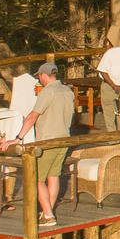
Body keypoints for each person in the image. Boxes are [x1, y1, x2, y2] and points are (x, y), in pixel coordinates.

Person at [30, 61, 78, 224]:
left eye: (39, 77)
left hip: (47, 141)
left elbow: (33, 116)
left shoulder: (47, 92)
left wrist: (18, 137)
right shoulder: (68, 91)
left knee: (36, 177)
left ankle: (49, 215)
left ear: (43, 76)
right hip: (63, 139)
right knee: (53, 176)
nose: (39, 80)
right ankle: (47, 212)